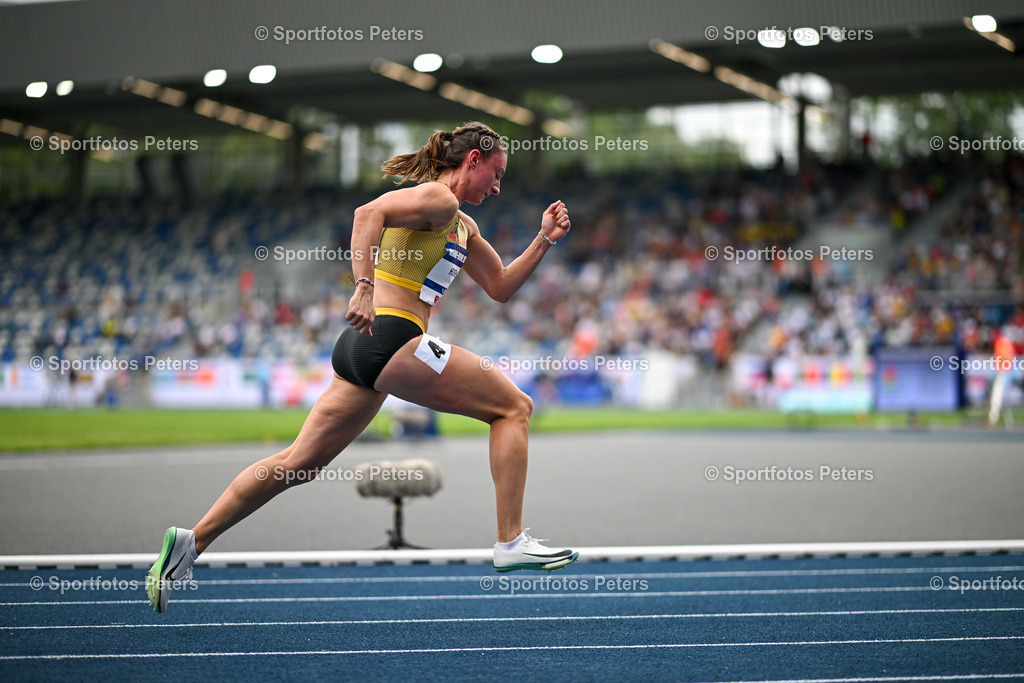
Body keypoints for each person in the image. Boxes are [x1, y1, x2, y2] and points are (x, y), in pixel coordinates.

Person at [147, 122, 577, 612]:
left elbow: (499, 286)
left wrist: (543, 240)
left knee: (298, 464)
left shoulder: (463, 225)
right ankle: (510, 541)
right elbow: (367, 213)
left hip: (363, 347)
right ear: (472, 160)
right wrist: (364, 286)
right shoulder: (439, 199)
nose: (498, 187)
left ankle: (191, 542)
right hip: (392, 336)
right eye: (495, 174)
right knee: (514, 408)